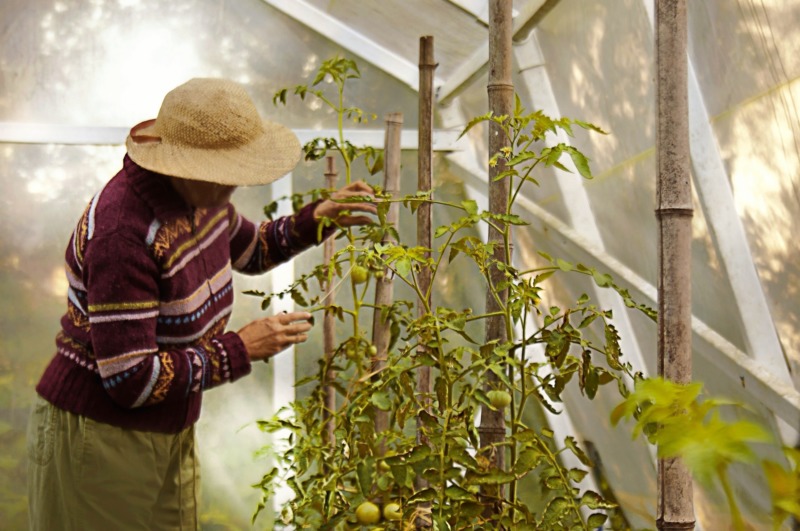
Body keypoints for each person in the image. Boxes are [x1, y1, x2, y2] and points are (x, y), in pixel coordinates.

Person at [27, 77, 376, 530]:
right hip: (101, 434)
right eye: (226, 175)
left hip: (171, 424)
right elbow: (131, 380)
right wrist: (240, 348)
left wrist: (315, 221)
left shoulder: (200, 196)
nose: (233, 188)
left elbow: (252, 249)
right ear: (182, 164)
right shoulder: (123, 234)